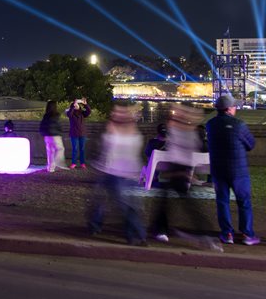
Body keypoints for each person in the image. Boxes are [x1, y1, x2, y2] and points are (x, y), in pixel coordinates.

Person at [150, 104, 220, 251]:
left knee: (183, 205)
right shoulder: (185, 132)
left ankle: (162, 230)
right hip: (179, 170)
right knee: (177, 204)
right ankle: (162, 229)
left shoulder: (185, 133)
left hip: (179, 171)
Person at [87, 104, 147, 246]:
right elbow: (104, 149)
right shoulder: (114, 130)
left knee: (125, 206)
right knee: (103, 202)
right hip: (112, 171)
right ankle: (135, 235)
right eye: (115, 112)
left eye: (120, 112)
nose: (117, 115)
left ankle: (135, 235)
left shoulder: (127, 132)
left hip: (120, 173)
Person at [206, 94, 260, 246]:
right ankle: (247, 234)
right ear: (229, 109)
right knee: (244, 203)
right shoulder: (239, 125)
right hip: (239, 171)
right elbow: (251, 144)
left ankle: (227, 234)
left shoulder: (210, 124)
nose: (236, 108)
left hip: (218, 171)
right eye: (234, 106)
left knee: (222, 202)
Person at [39, 101, 65, 172]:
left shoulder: (46, 116)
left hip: (47, 136)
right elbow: (59, 125)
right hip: (55, 135)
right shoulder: (56, 115)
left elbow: (42, 125)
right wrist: (61, 132)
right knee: (60, 149)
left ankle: (50, 168)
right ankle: (57, 164)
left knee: (50, 152)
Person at [66, 98, 91, 169]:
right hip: (74, 134)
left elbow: (89, 111)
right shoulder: (70, 113)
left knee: (82, 149)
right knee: (75, 149)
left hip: (82, 133)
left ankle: (82, 163)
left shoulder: (82, 113)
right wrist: (73, 106)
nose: (77, 105)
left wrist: (85, 104)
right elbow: (69, 114)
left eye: (78, 104)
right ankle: (74, 163)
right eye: (75, 105)